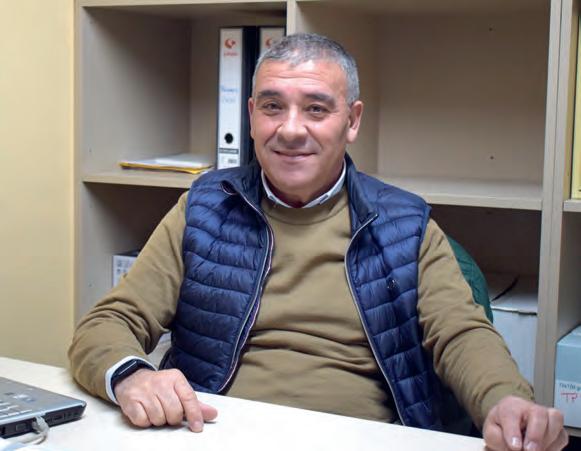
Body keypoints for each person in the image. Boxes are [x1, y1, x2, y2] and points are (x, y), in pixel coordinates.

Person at [69, 33, 567, 451]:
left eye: (316, 109)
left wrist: (505, 400)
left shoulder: (405, 224)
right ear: (251, 115)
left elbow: (461, 334)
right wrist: (132, 375)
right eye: (272, 107)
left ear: (352, 120)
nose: (290, 130)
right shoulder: (203, 209)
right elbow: (109, 322)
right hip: (213, 433)